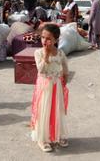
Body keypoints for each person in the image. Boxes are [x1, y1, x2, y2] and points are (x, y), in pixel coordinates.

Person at [31, 24, 69, 152]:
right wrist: (46, 56)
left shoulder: (60, 53)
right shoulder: (38, 53)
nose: (44, 41)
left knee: (57, 110)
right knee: (44, 111)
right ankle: (43, 139)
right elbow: (40, 69)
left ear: (56, 40)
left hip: (56, 86)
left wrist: (64, 81)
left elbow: (65, 68)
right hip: (44, 87)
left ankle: (58, 135)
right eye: (42, 38)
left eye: (48, 39)